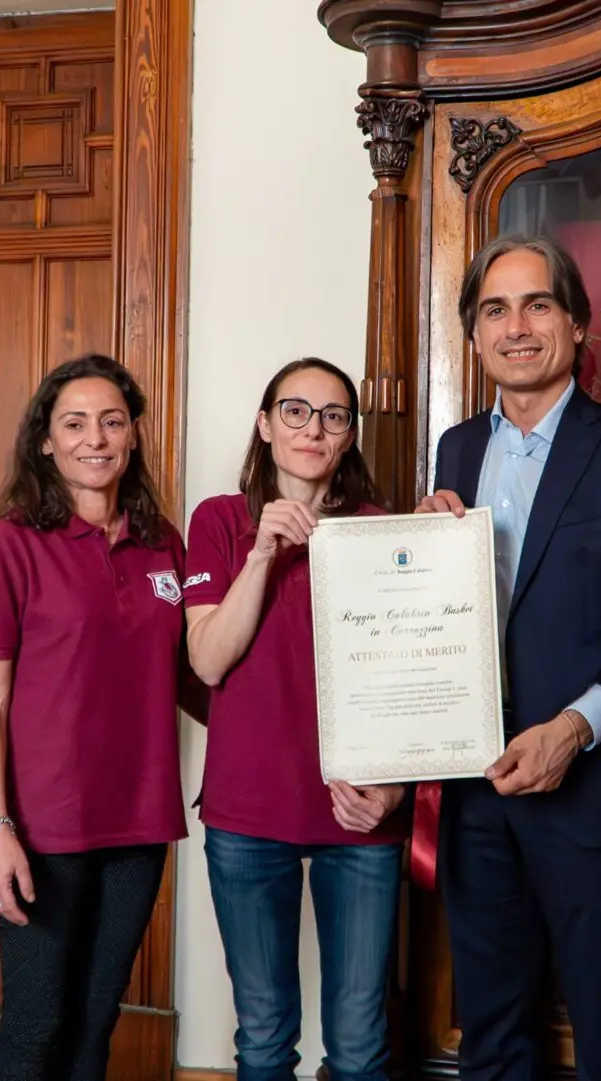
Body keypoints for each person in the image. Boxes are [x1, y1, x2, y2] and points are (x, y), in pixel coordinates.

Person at [418, 236, 601, 1081]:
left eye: (537, 304)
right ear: (473, 336)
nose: (517, 326)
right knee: (493, 1031)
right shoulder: (456, 450)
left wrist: (574, 729)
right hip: (472, 788)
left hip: (588, 790)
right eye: (494, 310)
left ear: (574, 324)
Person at [0, 354, 201, 1081]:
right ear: (45, 439)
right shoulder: (7, 542)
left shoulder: (162, 539)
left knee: (97, 1021)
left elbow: (195, 676)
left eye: (111, 420)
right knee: (37, 1025)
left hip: (138, 824)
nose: (94, 437)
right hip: (44, 827)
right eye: (74, 422)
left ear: (132, 435)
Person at [183, 358, 409, 1081]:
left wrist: (397, 789)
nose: (314, 428)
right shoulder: (219, 520)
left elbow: (412, 679)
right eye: (295, 410)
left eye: (333, 415)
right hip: (247, 811)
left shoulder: (380, 529)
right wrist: (261, 554)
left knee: (358, 1044)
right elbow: (209, 661)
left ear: (348, 436)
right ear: (264, 423)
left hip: (360, 812)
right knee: (263, 1037)